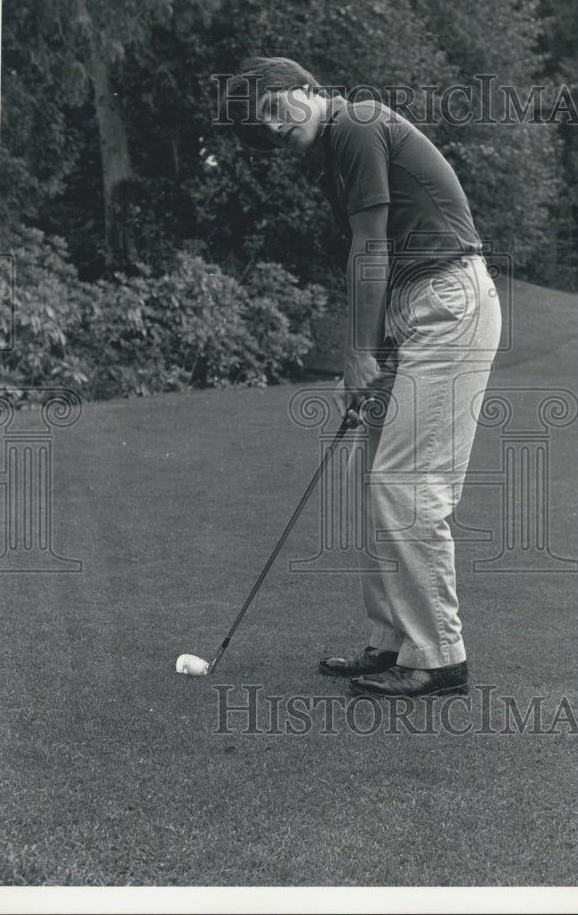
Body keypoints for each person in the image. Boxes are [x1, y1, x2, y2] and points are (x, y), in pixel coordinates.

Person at [221, 57, 501, 697]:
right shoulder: (338, 147)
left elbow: (370, 246)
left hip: (446, 303)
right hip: (416, 309)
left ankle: (439, 658)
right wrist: (375, 347)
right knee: (381, 476)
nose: (270, 125)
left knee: (409, 484)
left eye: (275, 105)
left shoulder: (357, 123)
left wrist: (357, 352)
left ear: (307, 89)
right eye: (257, 121)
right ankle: (393, 641)